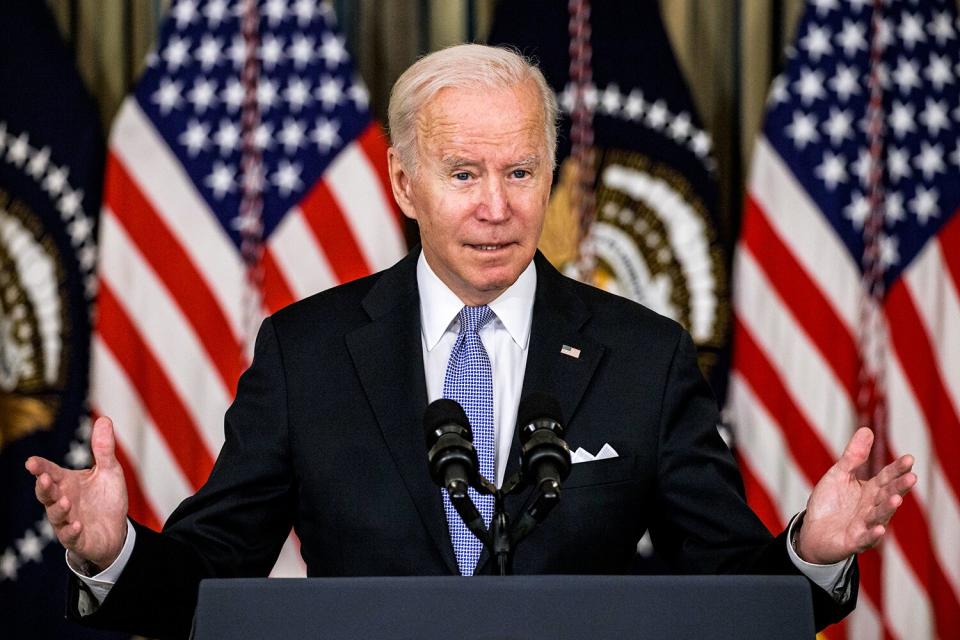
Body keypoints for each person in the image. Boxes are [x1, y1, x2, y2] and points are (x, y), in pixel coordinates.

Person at [27, 44, 916, 639]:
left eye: (521, 171)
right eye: (464, 174)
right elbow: (210, 580)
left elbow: (729, 592)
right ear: (405, 184)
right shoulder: (308, 351)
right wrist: (114, 552)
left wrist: (813, 549)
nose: (498, 205)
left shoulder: (642, 355)